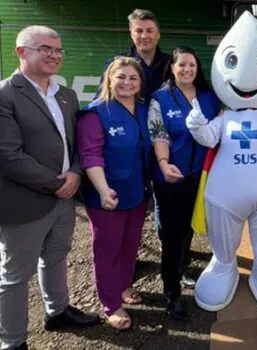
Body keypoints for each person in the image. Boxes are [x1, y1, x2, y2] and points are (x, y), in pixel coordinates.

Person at [0, 25, 100, 350]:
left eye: (58, 50)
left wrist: (75, 173)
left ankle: (57, 311)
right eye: (46, 49)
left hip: (65, 198)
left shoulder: (65, 94)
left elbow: (76, 142)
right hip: (25, 202)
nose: (54, 56)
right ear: (21, 52)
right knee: (15, 277)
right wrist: (58, 183)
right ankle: (13, 342)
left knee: (56, 257)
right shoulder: (5, 95)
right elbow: (8, 156)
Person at [77, 57, 151, 330]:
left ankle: (123, 286)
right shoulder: (96, 114)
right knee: (108, 250)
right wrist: (103, 189)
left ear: (140, 83)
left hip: (137, 193)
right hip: (106, 196)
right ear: (109, 79)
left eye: (133, 78)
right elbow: (90, 156)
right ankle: (111, 303)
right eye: (120, 77)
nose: (127, 83)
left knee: (130, 245)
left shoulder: (144, 110)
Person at [148, 46, 220, 321]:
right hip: (172, 178)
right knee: (172, 235)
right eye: (182, 65)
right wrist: (164, 164)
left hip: (201, 177)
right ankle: (172, 292)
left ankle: (183, 267)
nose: (187, 70)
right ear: (173, 68)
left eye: (192, 65)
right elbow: (159, 134)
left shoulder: (208, 97)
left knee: (189, 229)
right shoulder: (160, 98)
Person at [97, 8, 171, 101]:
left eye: (149, 31)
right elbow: (101, 99)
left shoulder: (172, 64)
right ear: (131, 34)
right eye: (139, 31)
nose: (144, 36)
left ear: (158, 34)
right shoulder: (115, 64)